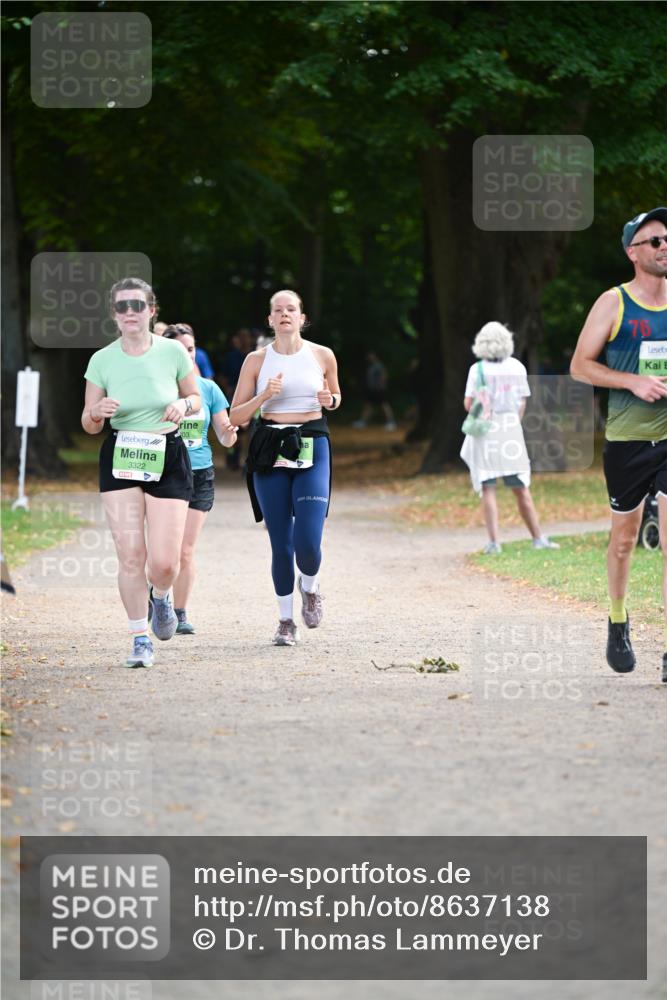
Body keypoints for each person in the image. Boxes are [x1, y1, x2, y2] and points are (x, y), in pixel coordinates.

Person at [81, 278, 201, 668]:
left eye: (137, 305)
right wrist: (97, 414)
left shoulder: (172, 352)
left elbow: (195, 397)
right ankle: (138, 638)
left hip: (166, 452)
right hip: (121, 454)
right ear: (114, 315)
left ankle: (162, 597)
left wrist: (184, 406)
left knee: (165, 563)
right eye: (121, 307)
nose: (129, 312)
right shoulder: (102, 359)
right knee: (131, 556)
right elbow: (88, 421)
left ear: (152, 310)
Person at [570, 206, 667, 682]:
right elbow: (580, 366)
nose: (665, 246)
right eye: (654, 241)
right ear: (633, 252)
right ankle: (617, 618)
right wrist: (632, 382)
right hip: (628, 440)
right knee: (624, 540)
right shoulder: (614, 303)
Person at [230, 289, 341, 646]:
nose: (284, 315)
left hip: (312, 443)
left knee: (307, 540)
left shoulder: (322, 355)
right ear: (270, 319)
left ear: (302, 317)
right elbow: (236, 417)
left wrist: (330, 400)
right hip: (270, 447)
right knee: (281, 543)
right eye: (277, 310)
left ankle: (310, 586)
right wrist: (263, 397)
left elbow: (335, 398)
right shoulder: (256, 360)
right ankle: (285, 621)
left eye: (291, 309)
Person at [162, 323, 238, 633]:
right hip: (164, 473)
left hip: (200, 473)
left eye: (191, 349)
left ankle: (178, 611)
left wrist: (229, 434)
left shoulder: (209, 389)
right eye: (180, 350)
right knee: (163, 549)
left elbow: (224, 435)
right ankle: (159, 597)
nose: (187, 355)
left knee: (185, 549)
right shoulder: (158, 387)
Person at [460, 321, 560, 555]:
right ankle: (537, 537)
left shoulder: (477, 370)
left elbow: (468, 403)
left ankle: (494, 542)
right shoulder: (517, 367)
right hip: (510, 430)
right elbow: (523, 401)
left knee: (488, 487)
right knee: (520, 487)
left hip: (485, 430)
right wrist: (513, 423)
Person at [353, 351, 397, 430]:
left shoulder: (379, 365)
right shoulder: (371, 366)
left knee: (384, 405)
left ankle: (391, 422)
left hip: (379, 390)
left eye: (371, 355)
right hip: (372, 390)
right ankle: (363, 421)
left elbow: (384, 376)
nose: (370, 357)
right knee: (368, 405)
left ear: (375, 356)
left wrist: (381, 386)